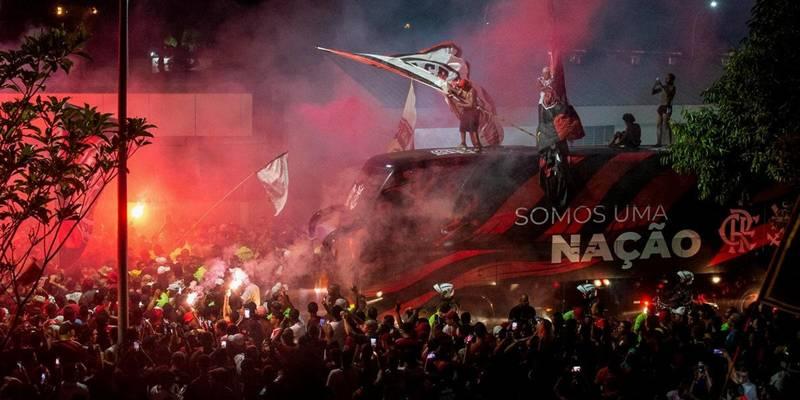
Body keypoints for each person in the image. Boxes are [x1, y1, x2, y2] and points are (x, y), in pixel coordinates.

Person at [447, 77, 482, 150]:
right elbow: (454, 90)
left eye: (463, 87)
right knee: (462, 127)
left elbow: (471, 104)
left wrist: (460, 105)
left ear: (466, 86)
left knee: (473, 129)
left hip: (473, 112)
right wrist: (449, 89)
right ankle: (463, 143)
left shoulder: (472, 91)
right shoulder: (463, 89)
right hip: (466, 111)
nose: (461, 89)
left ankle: (477, 145)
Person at [652, 73, 676, 146]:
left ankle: (670, 143)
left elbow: (668, 93)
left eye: (668, 78)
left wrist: (661, 85)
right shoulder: (663, 87)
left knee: (666, 124)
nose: (666, 79)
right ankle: (659, 142)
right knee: (658, 125)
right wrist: (655, 84)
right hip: (661, 107)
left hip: (667, 107)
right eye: (666, 78)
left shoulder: (672, 87)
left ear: (671, 79)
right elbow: (653, 92)